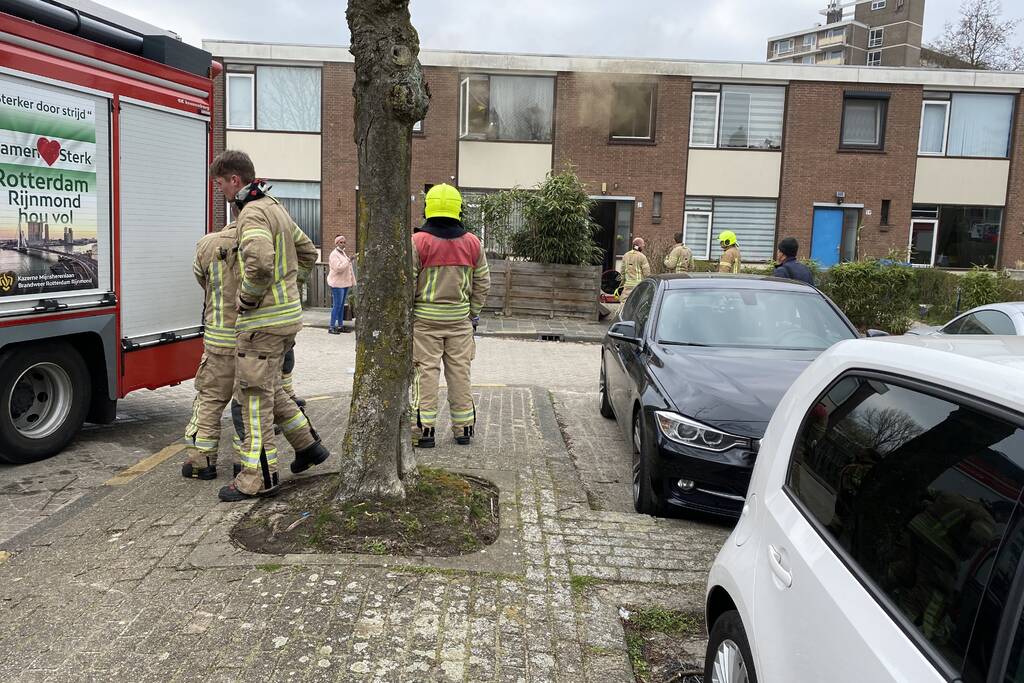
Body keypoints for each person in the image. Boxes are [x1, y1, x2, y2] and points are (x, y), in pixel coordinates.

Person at [209, 150, 329, 502]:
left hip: (260, 325)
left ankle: (259, 478)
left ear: (235, 180)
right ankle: (309, 448)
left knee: (253, 399)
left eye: (220, 184)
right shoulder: (275, 207)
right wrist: (289, 288)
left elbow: (259, 263)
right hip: (286, 322)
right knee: (273, 389)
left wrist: (247, 299)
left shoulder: (252, 214)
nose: (220, 192)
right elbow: (308, 253)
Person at [411, 183, 490, 448]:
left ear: (427, 208)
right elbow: (483, 283)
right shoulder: (472, 243)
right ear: (458, 209)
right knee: (459, 374)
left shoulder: (417, 242)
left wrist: (410, 313)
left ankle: (425, 431)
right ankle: (464, 429)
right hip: (459, 322)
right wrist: (473, 314)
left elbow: (407, 283)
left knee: (426, 374)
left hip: (424, 322)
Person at [181, 222, 240, 480]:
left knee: (209, 401)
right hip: (251, 341)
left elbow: (200, 278)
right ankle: (244, 463)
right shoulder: (260, 240)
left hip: (217, 339)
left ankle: (201, 462)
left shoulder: (207, 244)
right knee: (247, 404)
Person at [327, 235, 355, 334]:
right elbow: (338, 268)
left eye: (344, 242)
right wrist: (349, 260)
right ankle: (331, 327)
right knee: (337, 305)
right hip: (337, 283)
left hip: (344, 283)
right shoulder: (334, 254)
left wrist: (352, 281)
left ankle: (340, 326)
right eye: (341, 242)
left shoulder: (343, 253)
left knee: (342, 305)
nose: (343, 244)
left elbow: (348, 268)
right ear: (336, 243)